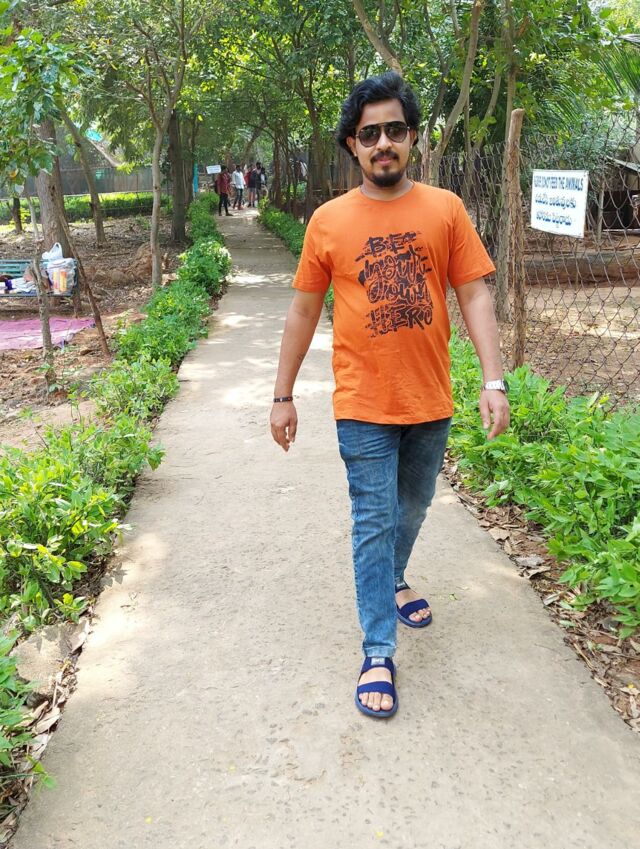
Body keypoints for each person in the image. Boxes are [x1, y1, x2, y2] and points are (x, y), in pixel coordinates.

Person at [270, 71, 510, 719]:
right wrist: (282, 395)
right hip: (362, 404)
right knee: (374, 520)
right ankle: (378, 649)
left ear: (413, 138)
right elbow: (302, 310)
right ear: (353, 144)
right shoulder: (328, 221)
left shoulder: (446, 209)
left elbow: (474, 293)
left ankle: (394, 577)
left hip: (430, 398)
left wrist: (493, 380)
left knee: (413, 506)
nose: (383, 143)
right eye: (370, 133)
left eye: (395, 130)